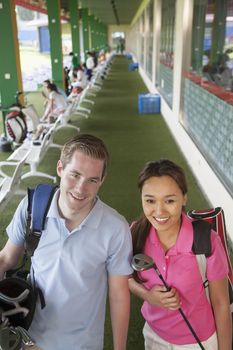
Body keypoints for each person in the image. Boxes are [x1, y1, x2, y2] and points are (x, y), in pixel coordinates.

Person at [0, 134, 133, 350]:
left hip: (83, 345)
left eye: (93, 180)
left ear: (102, 180)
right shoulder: (32, 207)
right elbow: (6, 259)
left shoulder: (115, 228)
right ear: (60, 168)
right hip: (29, 340)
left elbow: (118, 294)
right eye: (75, 175)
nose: (81, 189)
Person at [129, 159, 232, 350]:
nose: (159, 211)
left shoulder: (207, 241)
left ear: (184, 198)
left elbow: (221, 304)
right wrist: (148, 296)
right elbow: (125, 279)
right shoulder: (136, 233)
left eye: (169, 200)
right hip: (153, 335)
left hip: (198, 342)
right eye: (150, 200)